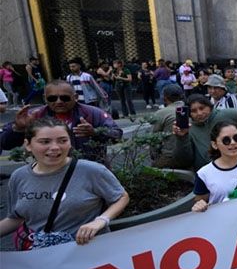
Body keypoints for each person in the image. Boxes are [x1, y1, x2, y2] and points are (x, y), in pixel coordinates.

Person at [0, 118, 129, 248]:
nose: (55, 147)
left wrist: (101, 221)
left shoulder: (91, 170)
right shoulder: (19, 176)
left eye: (63, 141)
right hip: (39, 257)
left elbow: (121, 197)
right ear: (28, 145)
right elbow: (16, 218)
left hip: (88, 252)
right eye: (45, 142)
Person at [0, 81, 122, 163]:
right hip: (50, 172)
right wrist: (18, 128)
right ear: (44, 98)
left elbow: (117, 134)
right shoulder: (34, 115)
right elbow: (5, 144)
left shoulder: (93, 113)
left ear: (75, 97)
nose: (59, 102)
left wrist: (95, 132)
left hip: (90, 170)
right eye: (52, 98)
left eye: (65, 98)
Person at [172, 94, 237, 171]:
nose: (199, 113)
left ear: (209, 106)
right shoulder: (190, 128)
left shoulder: (225, 114)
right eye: (194, 111)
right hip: (211, 174)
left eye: (202, 108)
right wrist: (182, 138)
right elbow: (184, 161)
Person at [149, 84, 185, 168]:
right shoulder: (191, 108)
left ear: (165, 98)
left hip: (169, 155)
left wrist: (154, 156)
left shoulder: (162, 113)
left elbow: (153, 138)